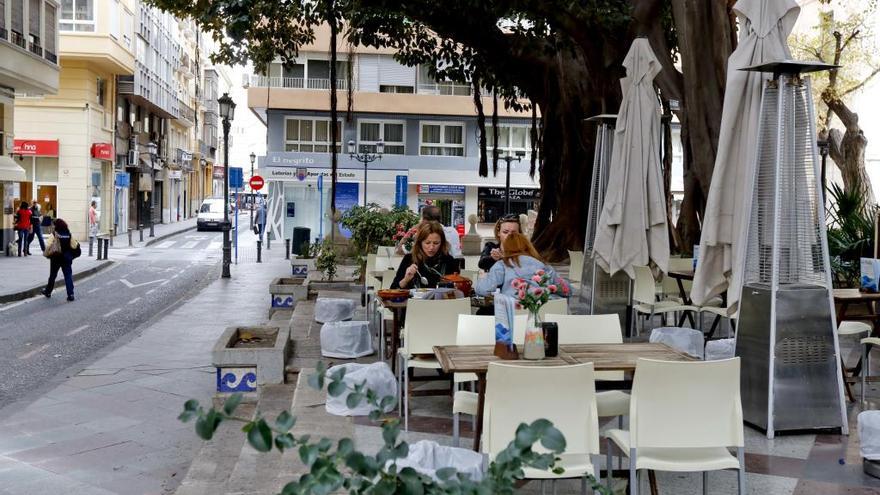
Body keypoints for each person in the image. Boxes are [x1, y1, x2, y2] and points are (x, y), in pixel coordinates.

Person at [475, 232, 570, 299]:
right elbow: (567, 290)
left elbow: (484, 290)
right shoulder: (544, 266)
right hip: (543, 317)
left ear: (506, 248)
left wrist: (482, 277)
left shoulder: (503, 264)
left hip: (514, 316)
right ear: (528, 247)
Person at [391, 221, 458, 289]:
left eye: (436, 243)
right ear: (420, 243)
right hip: (413, 299)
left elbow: (457, 291)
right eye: (427, 243)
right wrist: (405, 279)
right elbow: (393, 291)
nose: (431, 247)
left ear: (442, 243)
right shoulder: (409, 259)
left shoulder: (449, 261)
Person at [41, 218, 79, 301]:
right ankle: (71, 294)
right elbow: (74, 245)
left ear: (56, 226)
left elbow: (48, 245)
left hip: (56, 258)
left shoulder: (54, 234)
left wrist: (47, 252)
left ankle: (48, 291)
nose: (52, 226)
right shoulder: (68, 234)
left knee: (53, 276)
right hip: (66, 258)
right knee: (68, 276)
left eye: (53, 225)